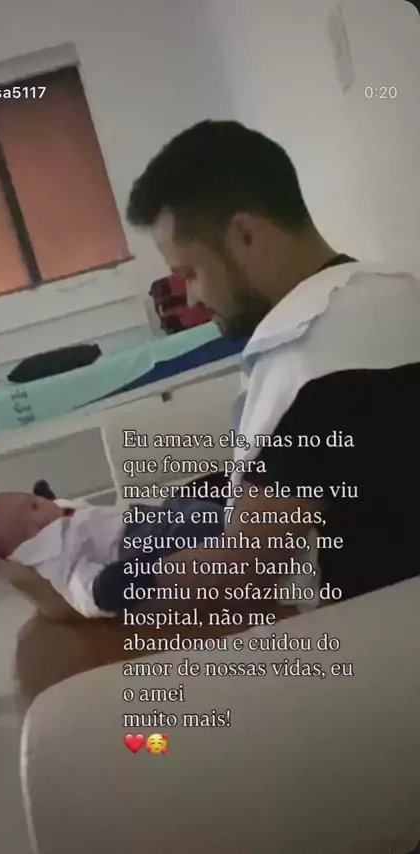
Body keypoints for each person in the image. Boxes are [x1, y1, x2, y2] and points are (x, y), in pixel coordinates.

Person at [125, 119, 420, 604]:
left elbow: (241, 573)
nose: (192, 297)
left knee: (53, 637)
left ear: (245, 235)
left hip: (371, 630)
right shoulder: (397, 289)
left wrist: (98, 587)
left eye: (190, 272)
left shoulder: (309, 364)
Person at [0, 489, 224, 618]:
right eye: (34, 504)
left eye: (34, 502)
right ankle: (226, 519)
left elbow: (73, 511)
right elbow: (78, 586)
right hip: (137, 548)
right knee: (201, 519)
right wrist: (103, 591)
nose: (41, 513)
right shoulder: (55, 556)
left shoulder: (57, 514)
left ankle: (226, 509)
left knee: (188, 503)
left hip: (143, 519)